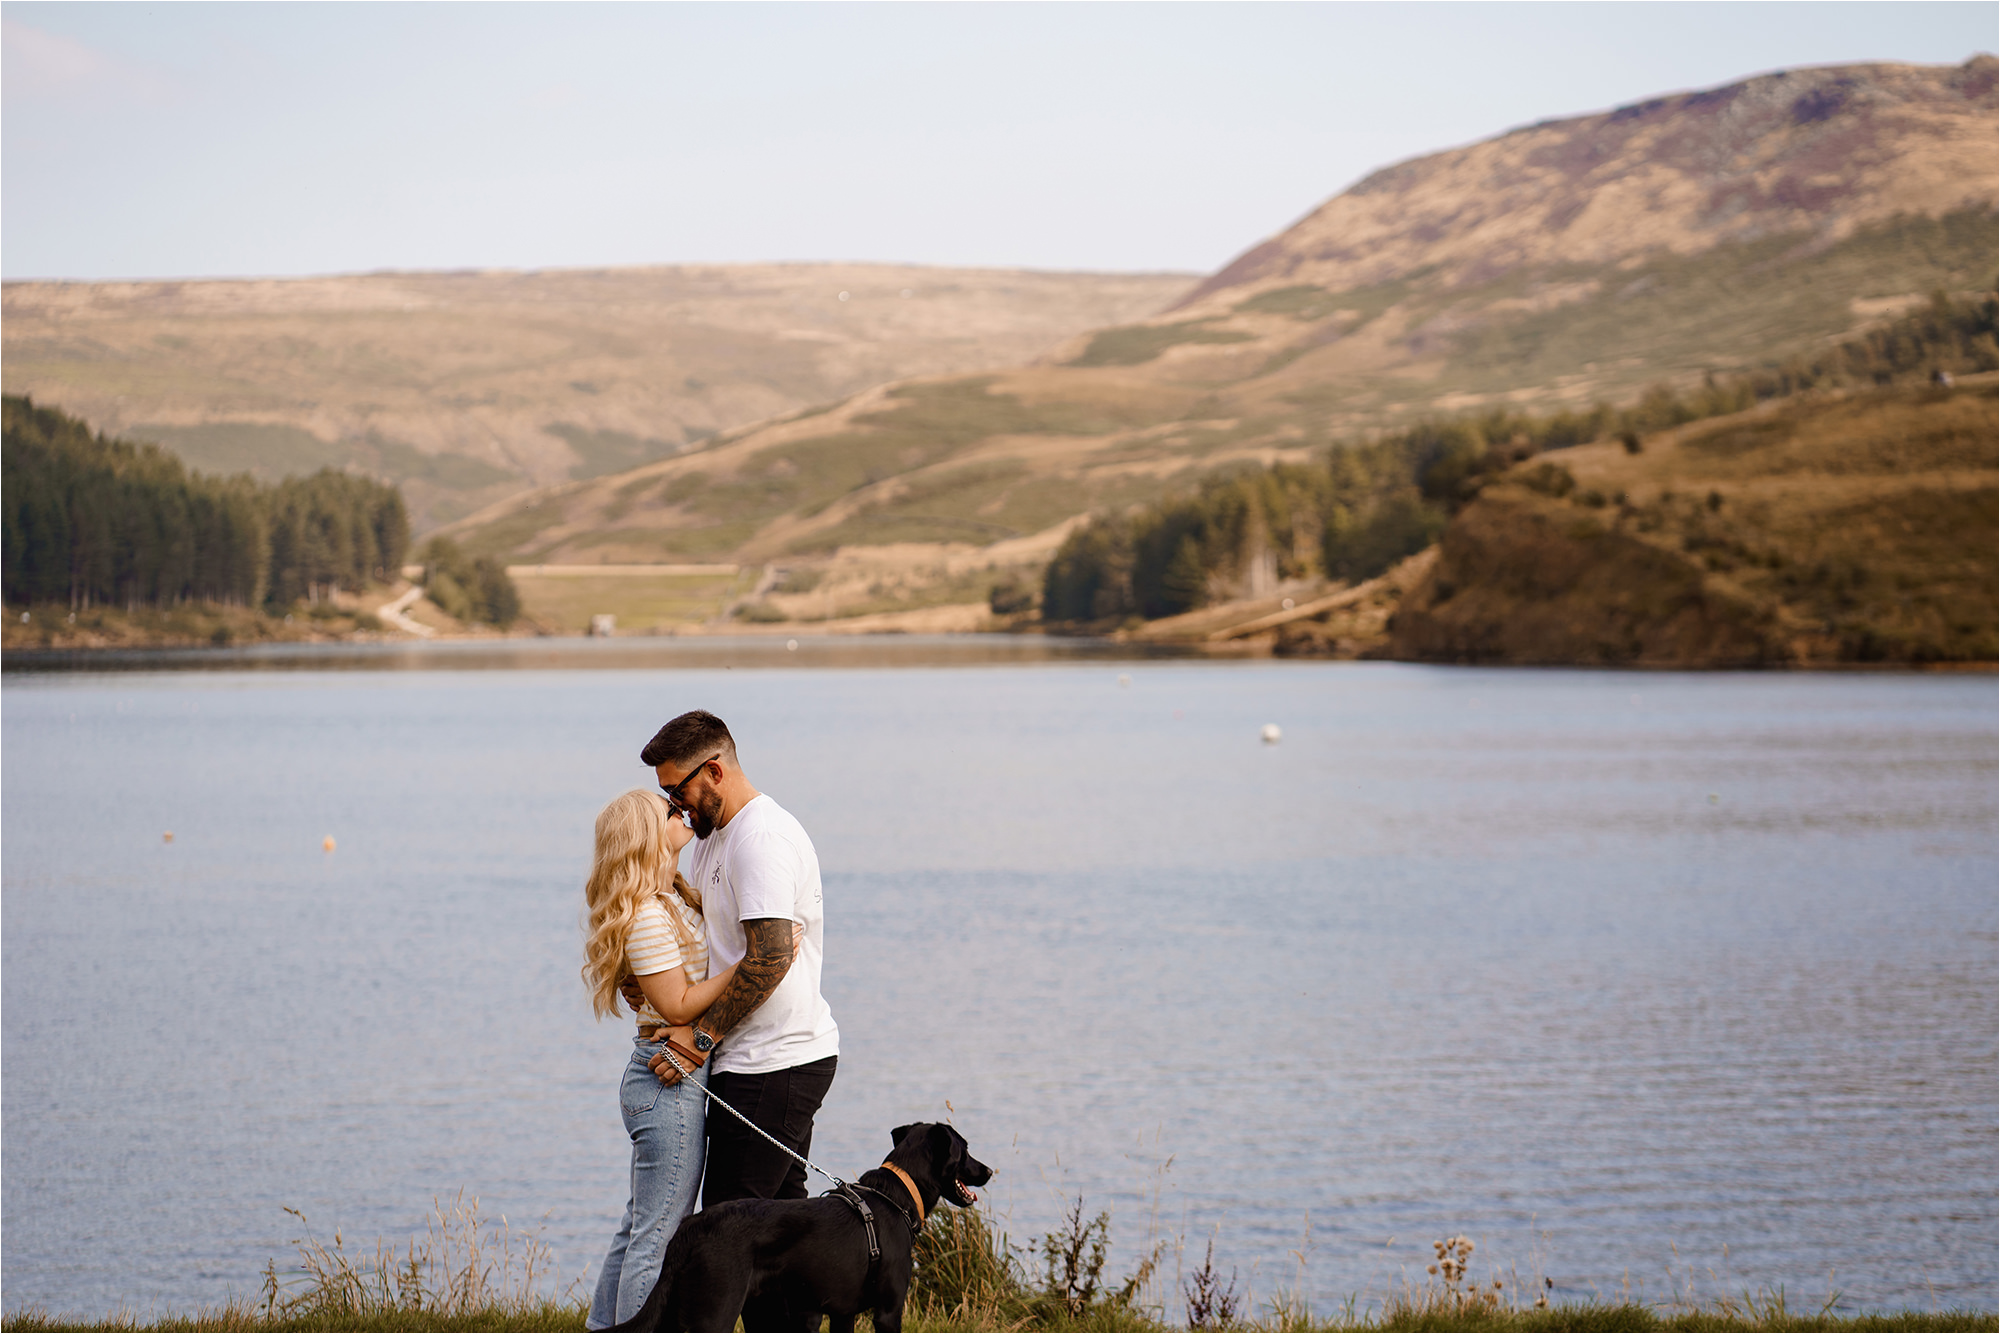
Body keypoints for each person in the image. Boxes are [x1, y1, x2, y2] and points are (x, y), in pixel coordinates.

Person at [638, 710, 840, 1328]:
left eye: (679, 791)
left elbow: (773, 953)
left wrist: (701, 1038)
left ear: (715, 771)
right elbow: (709, 947)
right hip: (764, 1060)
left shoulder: (762, 839)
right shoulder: (716, 840)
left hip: (774, 1064)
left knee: (725, 1240)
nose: (675, 807)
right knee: (781, 1243)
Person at [579, 790, 741, 1332]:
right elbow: (674, 1004)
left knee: (640, 1226)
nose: (682, 812)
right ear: (647, 836)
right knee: (659, 1237)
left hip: (670, 1075)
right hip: (665, 1076)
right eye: (668, 811)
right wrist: (749, 968)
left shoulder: (672, 895)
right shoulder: (647, 915)